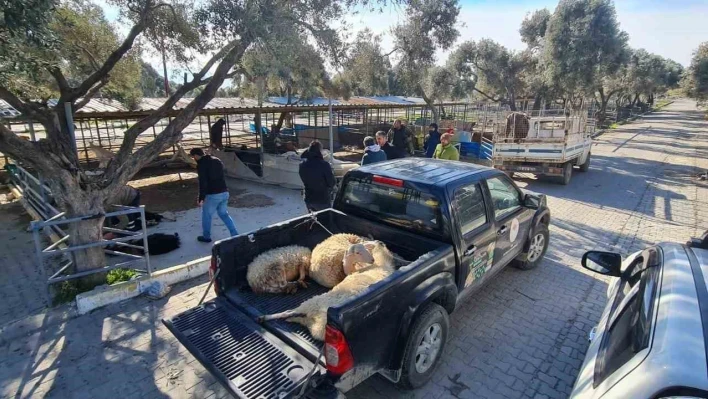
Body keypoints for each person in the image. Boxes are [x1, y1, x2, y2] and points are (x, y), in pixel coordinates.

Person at [189, 148, 238, 243]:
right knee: (224, 214)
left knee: (206, 216)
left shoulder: (201, 164)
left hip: (213, 194)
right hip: (224, 192)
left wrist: (201, 198)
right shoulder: (217, 160)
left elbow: (203, 182)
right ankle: (235, 234)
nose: (193, 158)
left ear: (195, 155)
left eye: (193, 156)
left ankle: (206, 237)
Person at [299, 141, 335, 212]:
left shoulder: (302, 165)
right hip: (322, 198)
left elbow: (303, 178)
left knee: (313, 220)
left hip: (309, 197)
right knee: (324, 220)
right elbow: (331, 182)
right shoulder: (324, 165)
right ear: (320, 151)